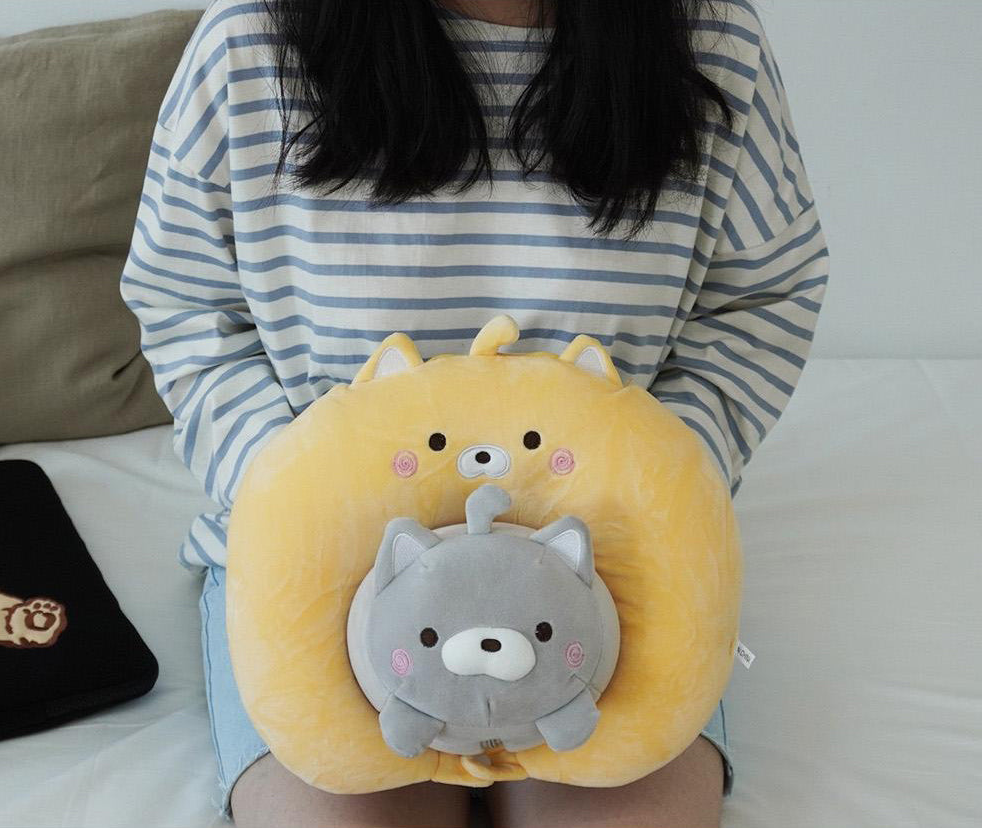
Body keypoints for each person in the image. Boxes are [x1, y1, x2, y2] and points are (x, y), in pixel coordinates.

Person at [119, 0, 829, 824]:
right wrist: (292, 495)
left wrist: (659, 490)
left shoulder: (711, 43)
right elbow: (186, 307)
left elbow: (761, 299)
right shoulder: (247, 45)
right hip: (326, 572)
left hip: (614, 566)